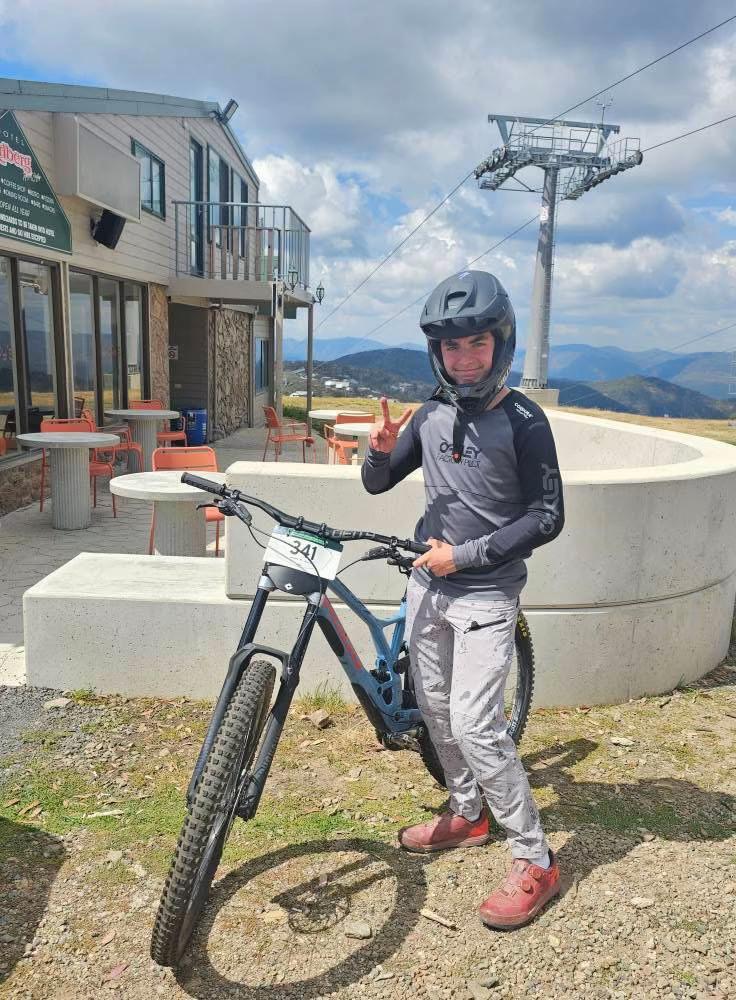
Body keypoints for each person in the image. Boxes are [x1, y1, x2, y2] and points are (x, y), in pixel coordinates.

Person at [361, 269, 564, 930]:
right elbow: (377, 483)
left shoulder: (525, 420)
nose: (464, 357)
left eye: (477, 342)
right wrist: (379, 453)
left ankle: (535, 859)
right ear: (437, 352)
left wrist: (466, 556)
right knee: (436, 712)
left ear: (501, 342)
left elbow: (547, 516)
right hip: (427, 584)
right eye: (452, 346)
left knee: (477, 725)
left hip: (486, 592)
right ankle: (468, 814)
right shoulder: (430, 413)